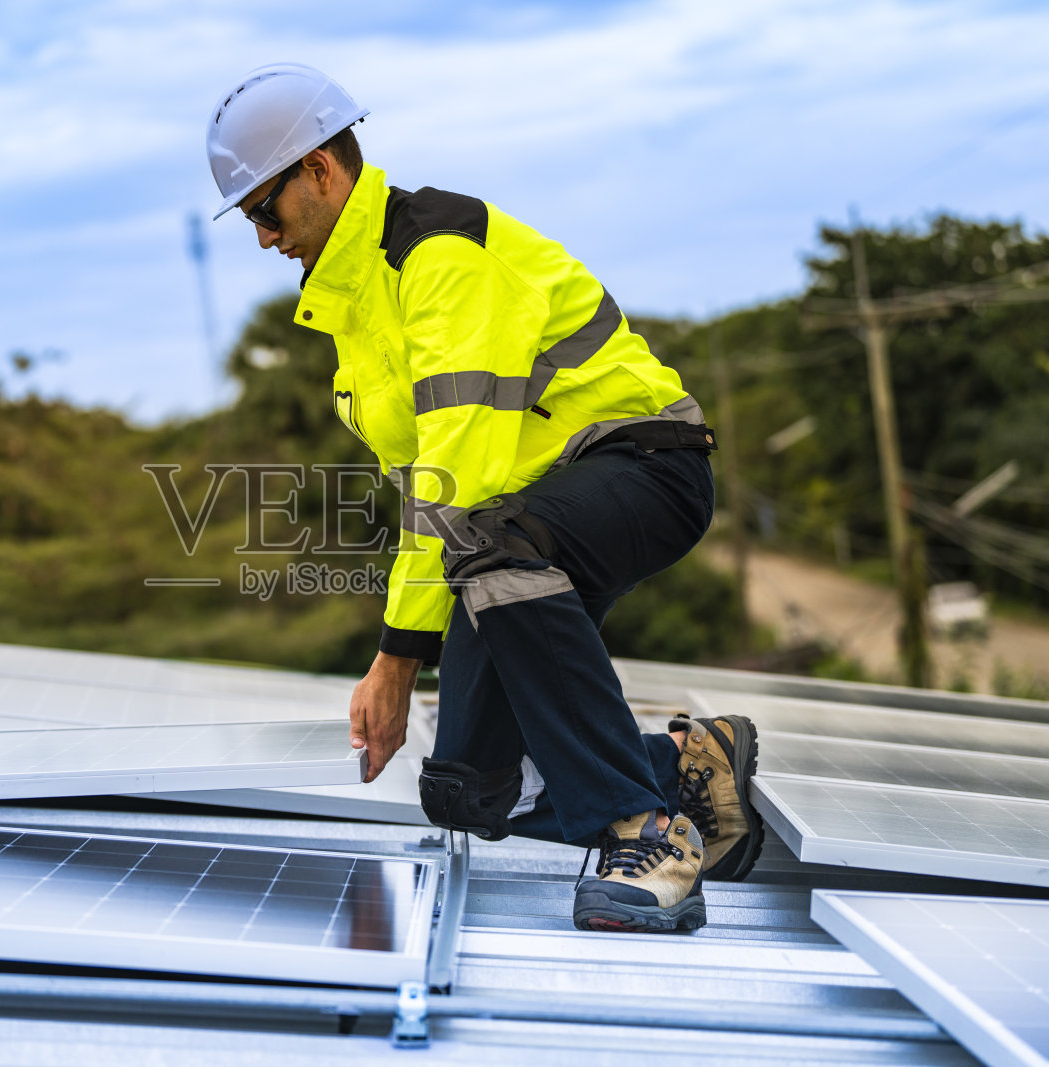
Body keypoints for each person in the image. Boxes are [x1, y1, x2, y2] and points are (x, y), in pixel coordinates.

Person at [206, 63, 762, 932]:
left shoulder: (438, 254)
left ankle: (647, 833)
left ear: (320, 170)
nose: (264, 238)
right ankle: (686, 766)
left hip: (643, 465)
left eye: (262, 210)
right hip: (523, 518)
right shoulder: (358, 310)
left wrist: (398, 658)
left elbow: (464, 483)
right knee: (465, 788)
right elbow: (427, 493)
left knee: (492, 549)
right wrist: (399, 649)